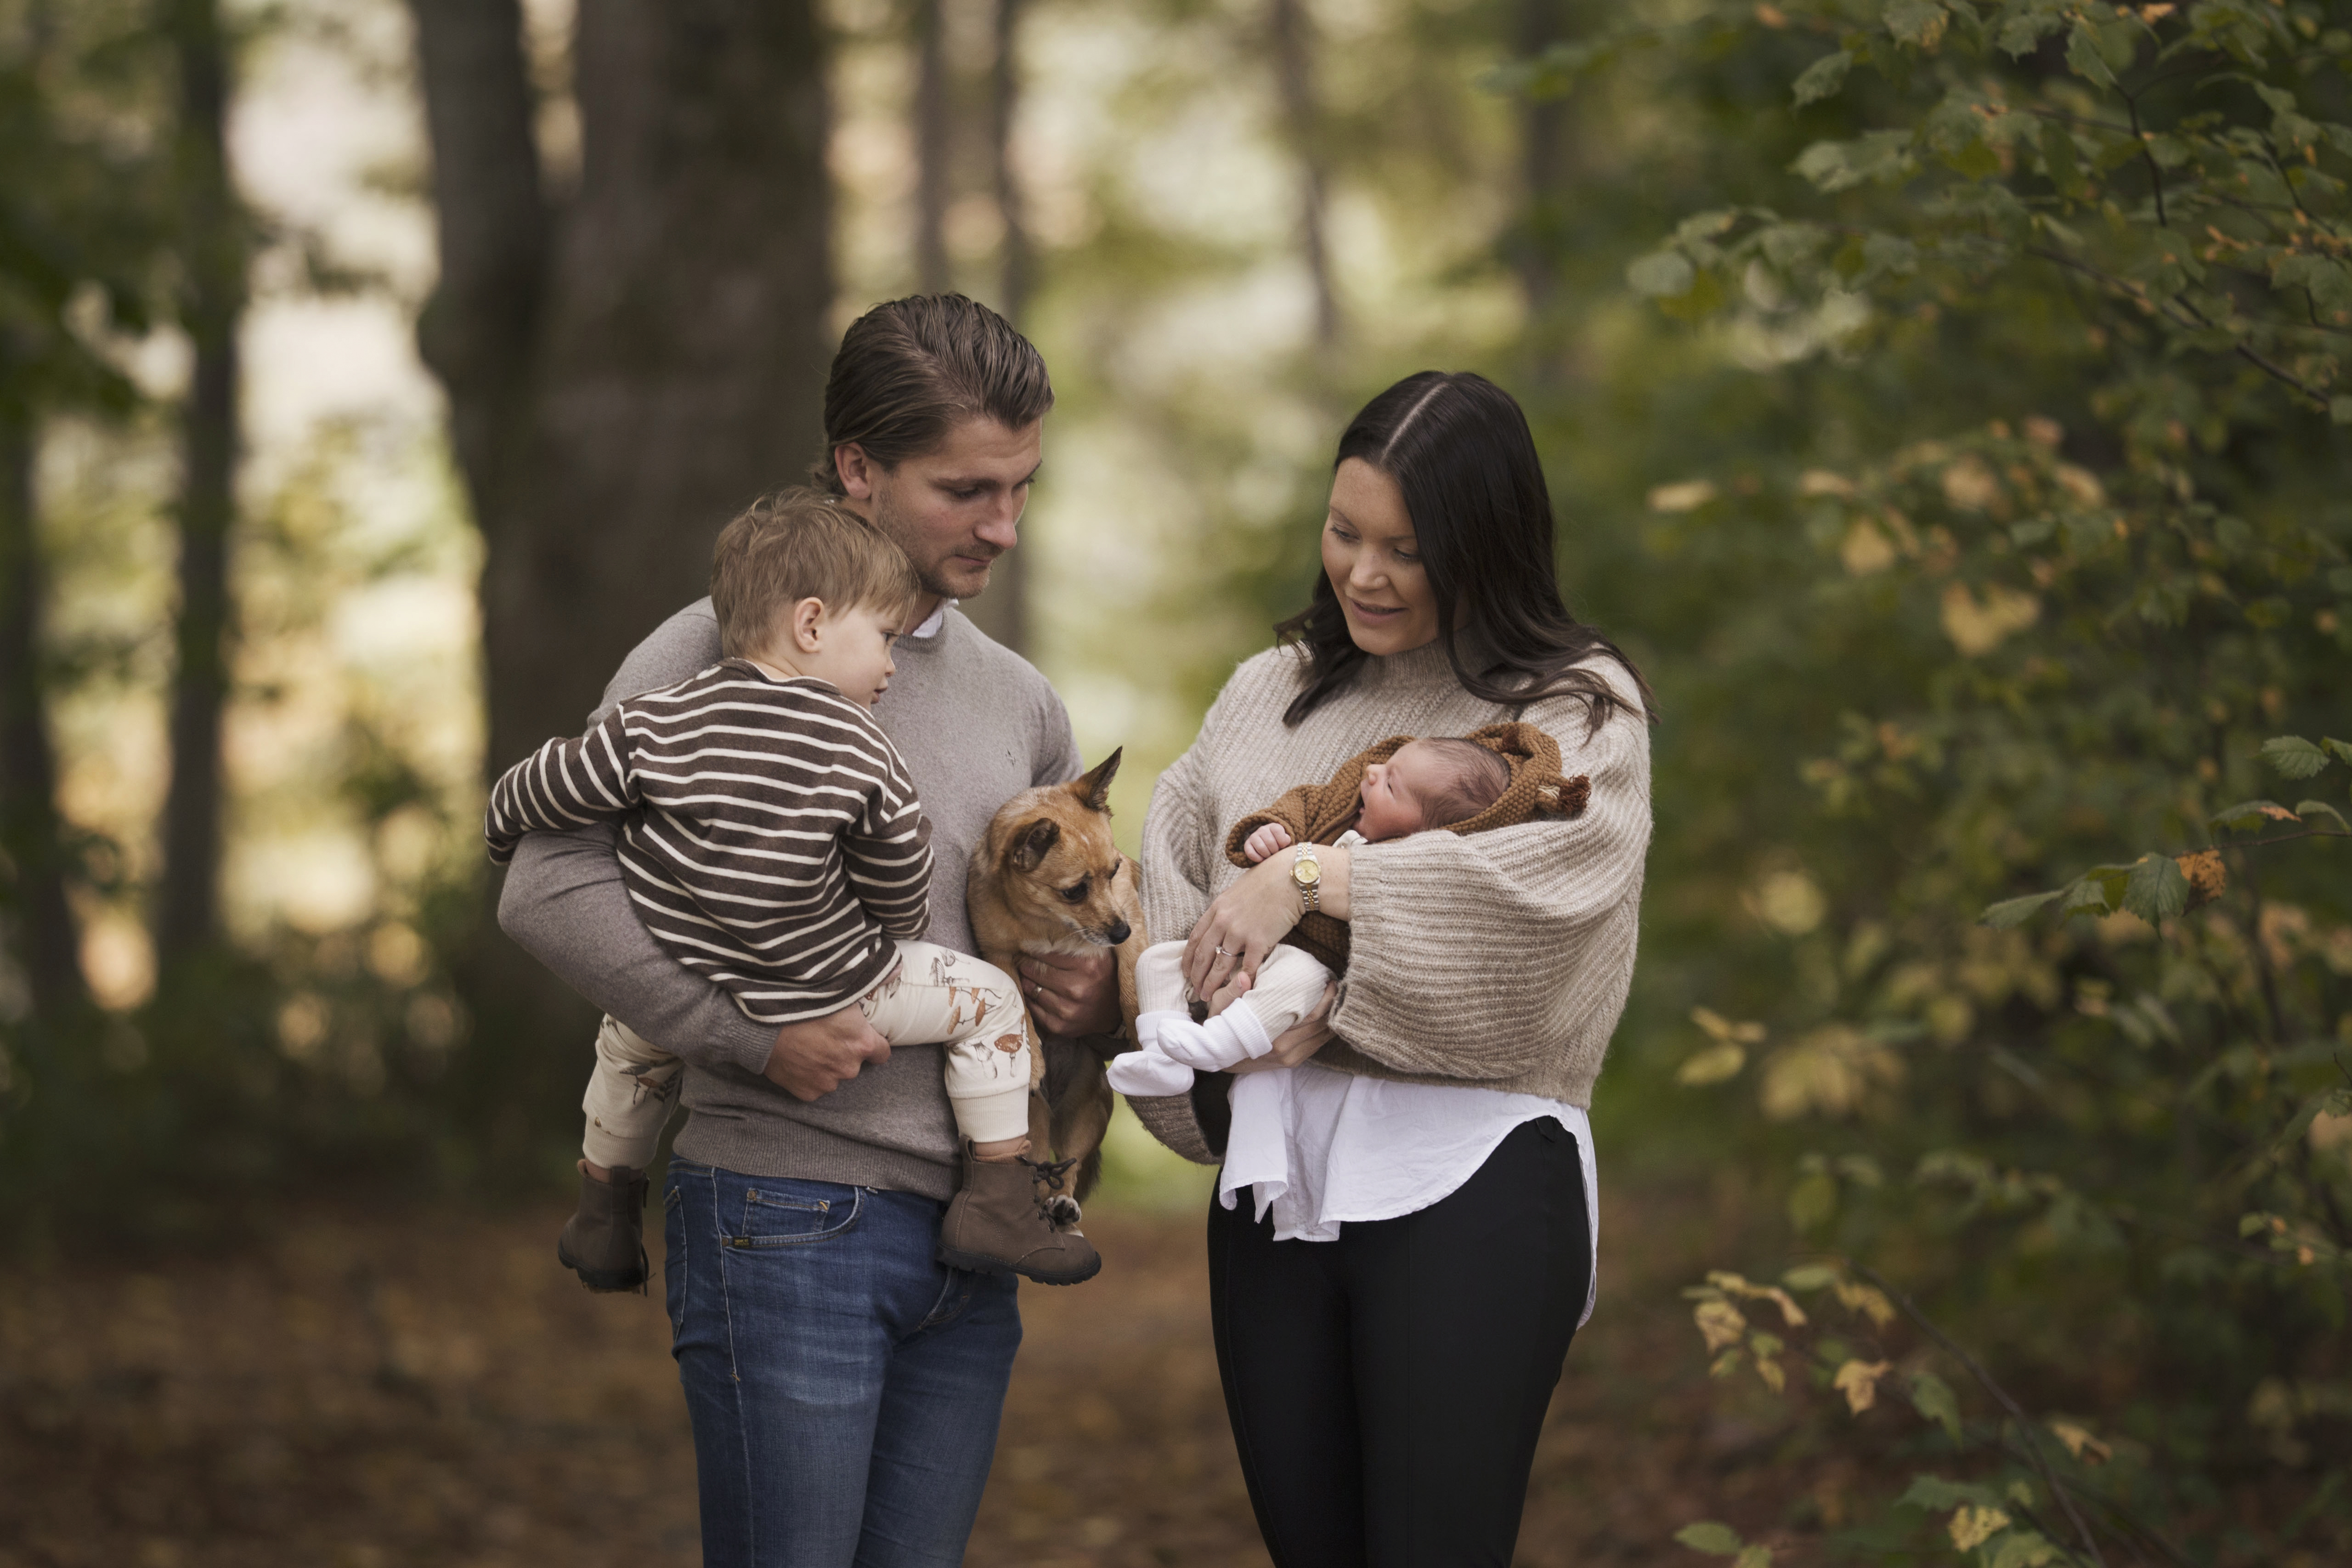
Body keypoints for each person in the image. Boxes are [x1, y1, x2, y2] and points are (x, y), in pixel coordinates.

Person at [494, 295, 1153, 1567]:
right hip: (786, 1218)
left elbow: (1074, 925)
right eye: (967, 489)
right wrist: (740, 1031)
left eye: (1023, 488)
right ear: (858, 467)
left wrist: (1104, 989)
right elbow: (543, 881)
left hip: (978, 1236)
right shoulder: (710, 649)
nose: (1004, 525)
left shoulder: (1021, 700)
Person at [1125, 370, 1655, 1567]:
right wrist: (1226, 1019)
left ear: (1486, 545)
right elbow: (1176, 909)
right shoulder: (1271, 693)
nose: (1364, 572)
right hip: (1272, 1177)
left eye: (1407, 548)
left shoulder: (1571, 710)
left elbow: (1543, 916)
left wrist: (1308, 881)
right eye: (1345, 531)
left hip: (1471, 1168)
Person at [484, 491, 1100, 1289]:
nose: (890, 662)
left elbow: (541, 785)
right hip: (831, 983)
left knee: (634, 1037)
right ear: (812, 626)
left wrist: (500, 829)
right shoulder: (858, 745)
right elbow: (903, 888)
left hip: (698, 960)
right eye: (882, 637)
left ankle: (604, 1205)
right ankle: (999, 1198)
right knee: (989, 1004)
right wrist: (888, 909)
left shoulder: (658, 720)